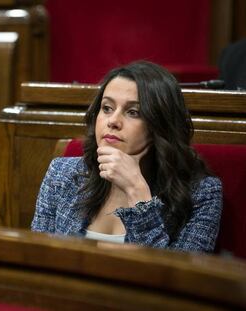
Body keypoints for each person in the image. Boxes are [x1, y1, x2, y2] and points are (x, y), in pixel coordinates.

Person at [31, 61, 223, 252]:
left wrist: (137, 191)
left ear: (160, 124)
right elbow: (37, 260)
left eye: (133, 112)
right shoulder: (61, 174)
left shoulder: (202, 194)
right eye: (107, 108)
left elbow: (175, 279)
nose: (113, 121)